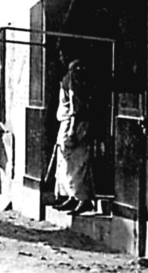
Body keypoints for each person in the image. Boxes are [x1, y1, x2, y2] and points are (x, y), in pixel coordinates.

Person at [53, 51, 96, 215]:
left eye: (63, 53)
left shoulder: (75, 74)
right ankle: (72, 196)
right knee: (66, 162)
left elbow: (75, 103)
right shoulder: (70, 74)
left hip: (74, 122)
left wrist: (72, 129)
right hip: (67, 121)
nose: (61, 57)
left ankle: (83, 199)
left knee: (77, 161)